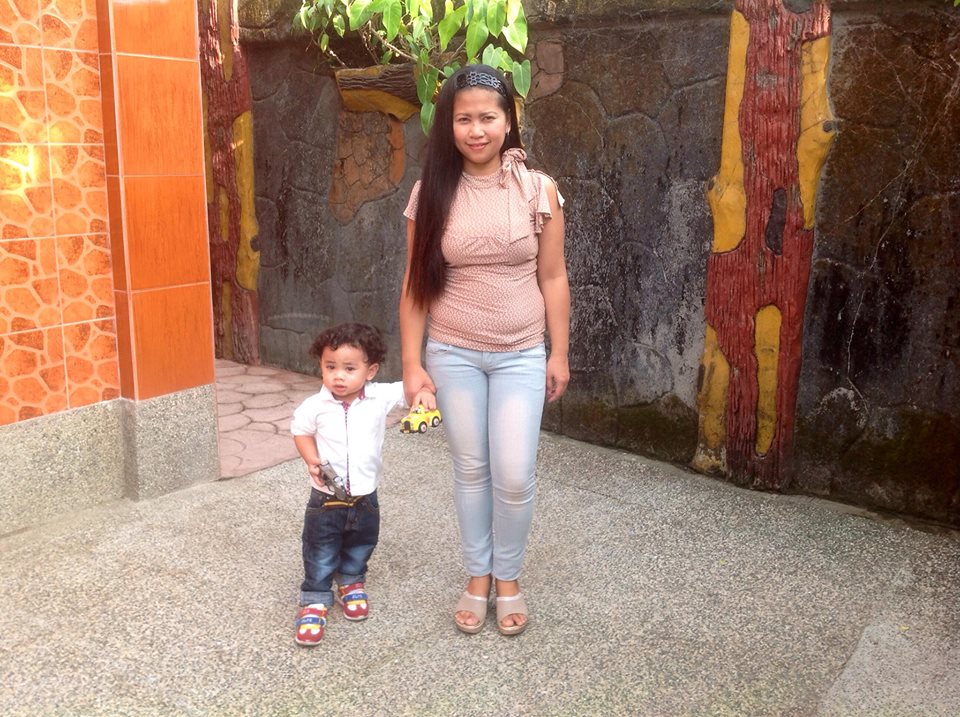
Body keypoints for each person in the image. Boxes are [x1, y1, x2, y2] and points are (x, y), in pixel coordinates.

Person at [398, 64, 571, 636]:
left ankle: (508, 577)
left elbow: (553, 276)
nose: (476, 130)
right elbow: (415, 285)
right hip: (453, 352)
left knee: (514, 473)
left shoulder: (538, 190)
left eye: (488, 117)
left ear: (508, 120)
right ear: (448, 124)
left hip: (521, 351)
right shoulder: (430, 193)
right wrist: (412, 365)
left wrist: (558, 353)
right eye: (464, 118)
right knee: (471, 469)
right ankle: (479, 576)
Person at [290, 322, 433, 645]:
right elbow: (300, 431)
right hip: (325, 496)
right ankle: (315, 598)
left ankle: (351, 581)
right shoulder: (315, 406)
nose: (338, 376)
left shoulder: (379, 396)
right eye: (330, 367)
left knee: (362, 541)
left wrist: (424, 392)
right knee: (320, 546)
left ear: (371, 371)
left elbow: (411, 389)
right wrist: (311, 459)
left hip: (366, 495)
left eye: (349, 368)